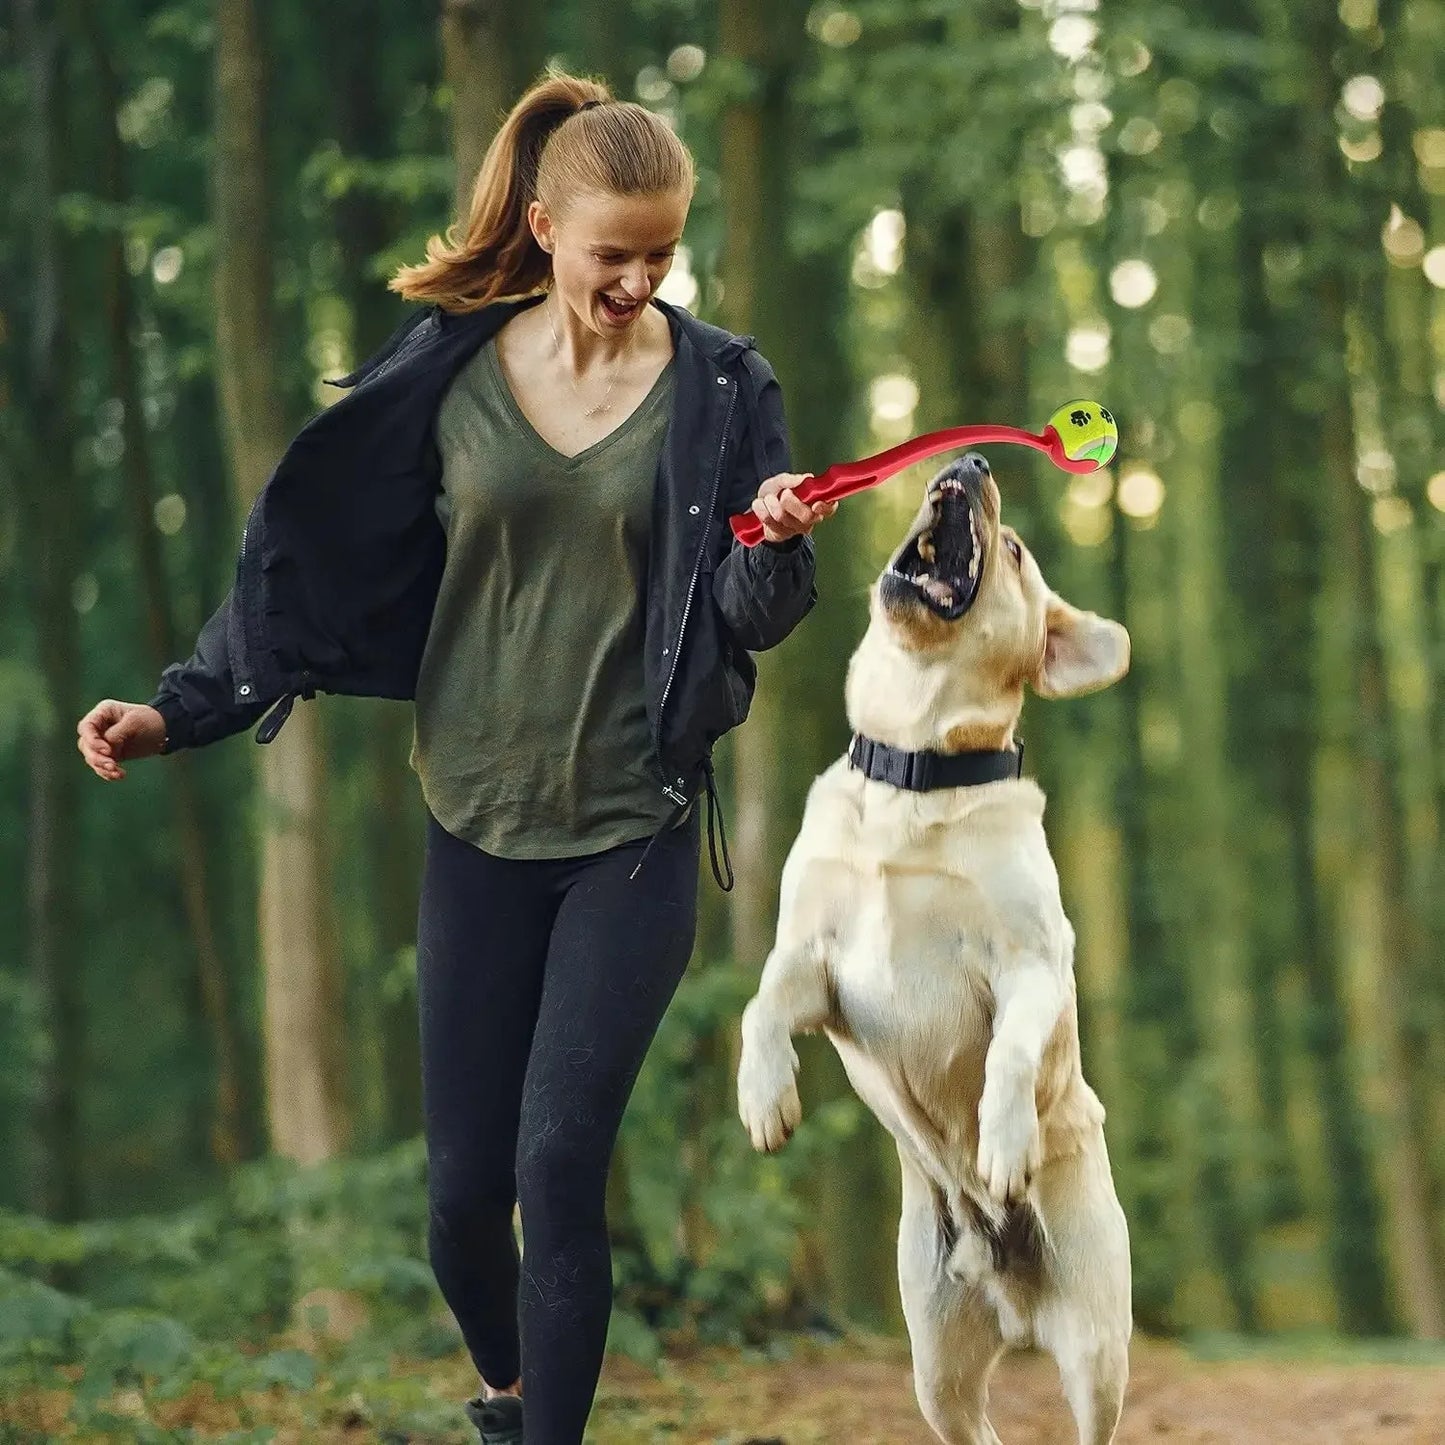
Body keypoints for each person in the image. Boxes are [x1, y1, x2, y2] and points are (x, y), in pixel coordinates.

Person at [75, 69, 834, 1445]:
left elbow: (748, 618)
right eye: (615, 253)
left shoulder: (723, 390)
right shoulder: (442, 369)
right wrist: (179, 709)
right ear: (545, 228)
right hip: (476, 821)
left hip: (633, 825)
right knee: (458, 1195)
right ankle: (508, 1399)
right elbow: (301, 555)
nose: (639, 278)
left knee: (557, 1162)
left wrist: (768, 545)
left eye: (662, 254)